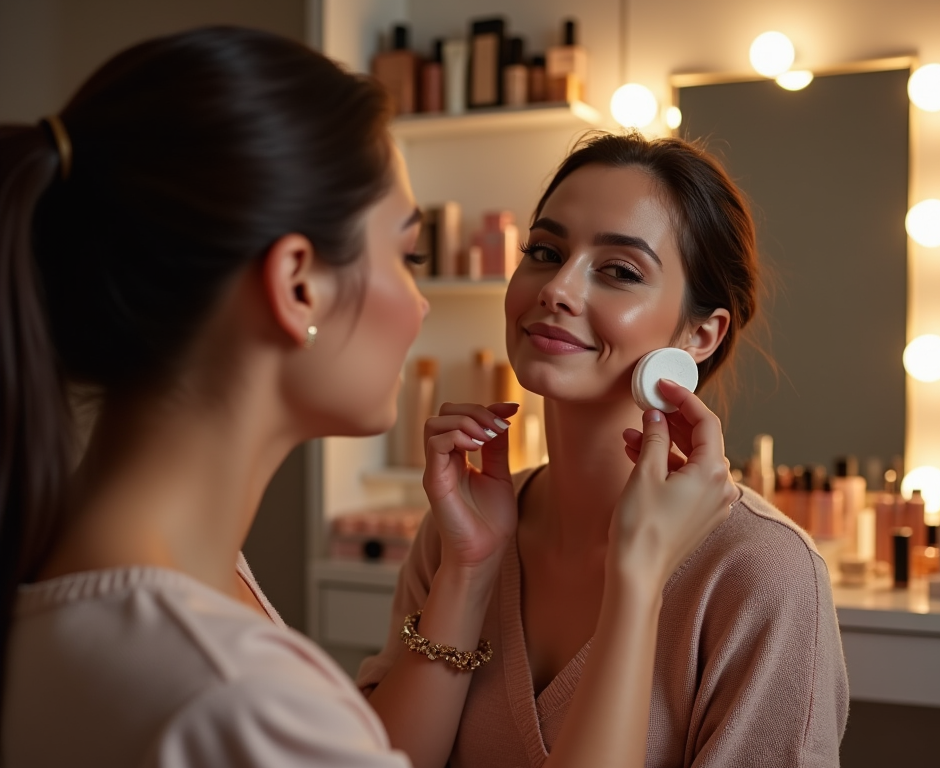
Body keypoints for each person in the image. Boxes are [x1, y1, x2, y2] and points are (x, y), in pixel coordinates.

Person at [0, 27, 734, 768]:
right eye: (405, 254)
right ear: (298, 286)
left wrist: (471, 572)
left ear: (704, 332)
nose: (419, 304)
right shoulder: (234, 696)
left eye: (619, 270)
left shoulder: (133, 584)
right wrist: (636, 583)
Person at [358, 132, 850, 768]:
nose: (557, 287)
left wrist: (637, 576)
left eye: (619, 271)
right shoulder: (461, 531)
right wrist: (468, 575)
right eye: (543, 250)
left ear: (701, 334)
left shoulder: (762, 574)